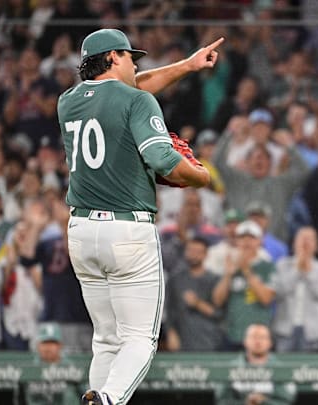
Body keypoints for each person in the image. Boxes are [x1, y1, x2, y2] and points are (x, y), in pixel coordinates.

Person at [57, 28, 217, 405]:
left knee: (107, 340)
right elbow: (165, 161)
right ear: (114, 57)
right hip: (127, 233)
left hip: (81, 232)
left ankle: (100, 397)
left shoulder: (68, 101)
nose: (136, 64)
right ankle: (110, 398)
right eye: (131, 57)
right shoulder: (138, 103)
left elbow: (127, 89)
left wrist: (187, 65)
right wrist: (203, 176)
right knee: (140, 339)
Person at [212, 220, 276, 350]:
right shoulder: (229, 265)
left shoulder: (267, 266)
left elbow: (266, 299)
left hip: (259, 337)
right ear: (236, 241)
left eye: (252, 238)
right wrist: (228, 275)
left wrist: (247, 271)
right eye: (242, 237)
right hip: (233, 333)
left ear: (260, 241)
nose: (247, 242)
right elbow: (217, 301)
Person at [272, 226, 318, 352]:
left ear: (316, 245)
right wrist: (297, 269)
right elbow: (280, 292)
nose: (305, 242)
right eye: (302, 238)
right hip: (285, 329)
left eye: (310, 239)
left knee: (309, 370)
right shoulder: (282, 265)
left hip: (311, 331)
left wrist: (308, 271)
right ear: (294, 243)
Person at [213, 324, 295, 405]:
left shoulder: (280, 369)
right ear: (245, 341)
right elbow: (222, 401)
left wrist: (264, 401)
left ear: (270, 343)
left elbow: (286, 401)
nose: (258, 341)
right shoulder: (230, 368)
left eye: (262, 337)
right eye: (254, 337)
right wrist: (244, 403)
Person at [165, 237, 223, 352]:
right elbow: (169, 309)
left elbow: (219, 313)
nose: (193, 255)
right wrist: (170, 333)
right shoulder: (175, 279)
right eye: (190, 250)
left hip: (209, 339)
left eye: (198, 252)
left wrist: (197, 303)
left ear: (206, 255)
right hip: (182, 338)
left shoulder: (214, 280)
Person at [21, 322, 81, 405]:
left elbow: (88, 393)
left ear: (60, 345)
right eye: (45, 343)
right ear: (38, 345)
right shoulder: (29, 367)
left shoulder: (72, 367)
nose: (48, 347)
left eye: (52, 343)